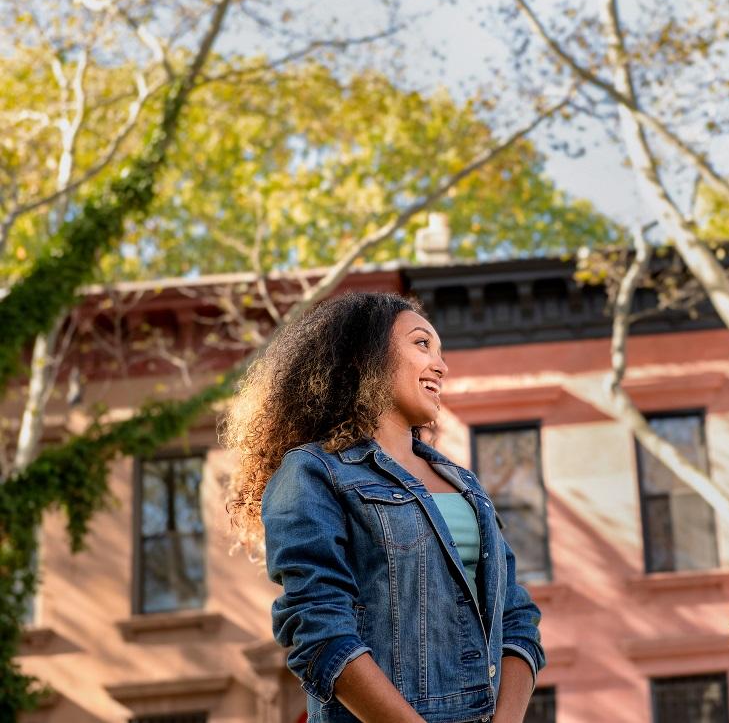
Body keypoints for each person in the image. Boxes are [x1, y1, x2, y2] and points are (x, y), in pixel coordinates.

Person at [223, 292, 544, 723]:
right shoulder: (313, 471)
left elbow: (516, 617)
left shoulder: (463, 482)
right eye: (422, 344)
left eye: (441, 351)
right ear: (364, 357)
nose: (441, 366)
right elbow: (319, 631)